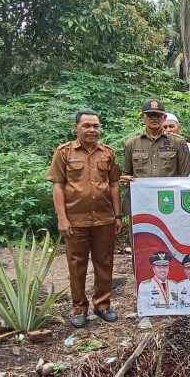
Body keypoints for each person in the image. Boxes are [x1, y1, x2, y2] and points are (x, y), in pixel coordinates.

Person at [47, 110, 122, 328]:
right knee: (76, 264)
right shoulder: (64, 152)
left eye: (96, 126)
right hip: (75, 220)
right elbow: (58, 185)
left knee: (105, 262)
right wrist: (62, 218)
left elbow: (114, 184)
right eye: (87, 126)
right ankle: (79, 308)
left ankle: (103, 305)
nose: (92, 130)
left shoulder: (107, 153)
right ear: (76, 127)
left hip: (104, 219)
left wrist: (117, 216)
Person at [121, 100, 190, 185]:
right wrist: (126, 181)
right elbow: (127, 175)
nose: (154, 118)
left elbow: (186, 177)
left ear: (164, 117)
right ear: (142, 117)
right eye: (150, 115)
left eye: (158, 115)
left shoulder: (178, 142)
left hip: (168, 195)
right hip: (141, 194)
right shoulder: (132, 143)